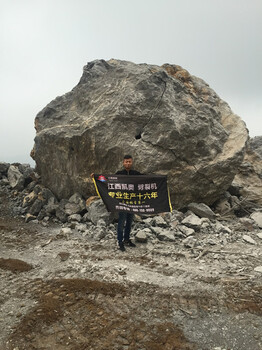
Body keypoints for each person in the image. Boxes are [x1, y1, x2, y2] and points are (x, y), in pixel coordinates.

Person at [115, 155, 142, 251]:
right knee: (121, 222)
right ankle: (120, 241)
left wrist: (161, 178)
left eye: (129, 161)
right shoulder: (119, 174)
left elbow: (147, 178)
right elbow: (107, 180)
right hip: (122, 203)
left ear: (132, 162)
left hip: (132, 202)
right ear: (123, 163)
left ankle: (126, 239)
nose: (128, 163)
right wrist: (96, 178)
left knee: (129, 222)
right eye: (126, 161)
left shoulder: (135, 174)